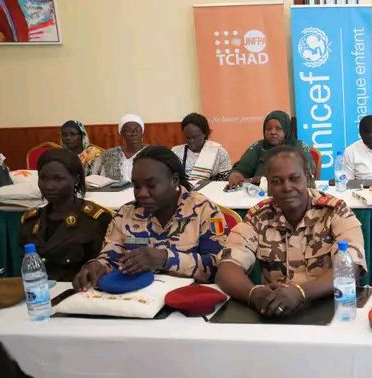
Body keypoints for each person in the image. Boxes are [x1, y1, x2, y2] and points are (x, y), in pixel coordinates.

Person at [216, 145, 367, 317]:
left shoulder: (335, 211)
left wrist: (300, 293)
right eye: (276, 181)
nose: (287, 187)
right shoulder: (259, 216)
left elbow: (350, 268)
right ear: (268, 186)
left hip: (330, 308)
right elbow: (227, 268)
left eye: (294, 179)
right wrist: (254, 294)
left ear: (307, 178)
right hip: (276, 311)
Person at [72, 146, 227, 290]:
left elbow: (218, 266)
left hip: (186, 298)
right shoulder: (126, 214)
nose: (142, 194)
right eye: (136, 186)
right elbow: (110, 256)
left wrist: (166, 258)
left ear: (174, 180)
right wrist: (97, 266)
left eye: (151, 185)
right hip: (138, 297)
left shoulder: (205, 211)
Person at [19, 149, 112, 281]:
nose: (49, 186)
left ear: (76, 179)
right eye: (43, 178)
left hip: (79, 289)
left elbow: (104, 265)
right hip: (39, 289)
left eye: (58, 179)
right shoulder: (31, 220)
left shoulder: (95, 220)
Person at [227, 110, 314, 188]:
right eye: (268, 129)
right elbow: (242, 168)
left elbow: (306, 175)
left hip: (290, 193)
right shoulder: (259, 146)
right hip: (256, 195)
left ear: (287, 129)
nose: (273, 132)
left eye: (278, 128)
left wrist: (259, 180)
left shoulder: (299, 147)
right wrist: (236, 174)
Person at [172, 112, 233, 181]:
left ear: (205, 133)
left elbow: (226, 178)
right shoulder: (176, 152)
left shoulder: (219, 152)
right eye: (188, 137)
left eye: (195, 137)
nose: (191, 141)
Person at [90, 113, 146, 181]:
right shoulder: (107, 155)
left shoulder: (152, 154)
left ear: (142, 132)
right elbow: (94, 180)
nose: (133, 133)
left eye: (137, 130)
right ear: (121, 133)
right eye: (128, 130)